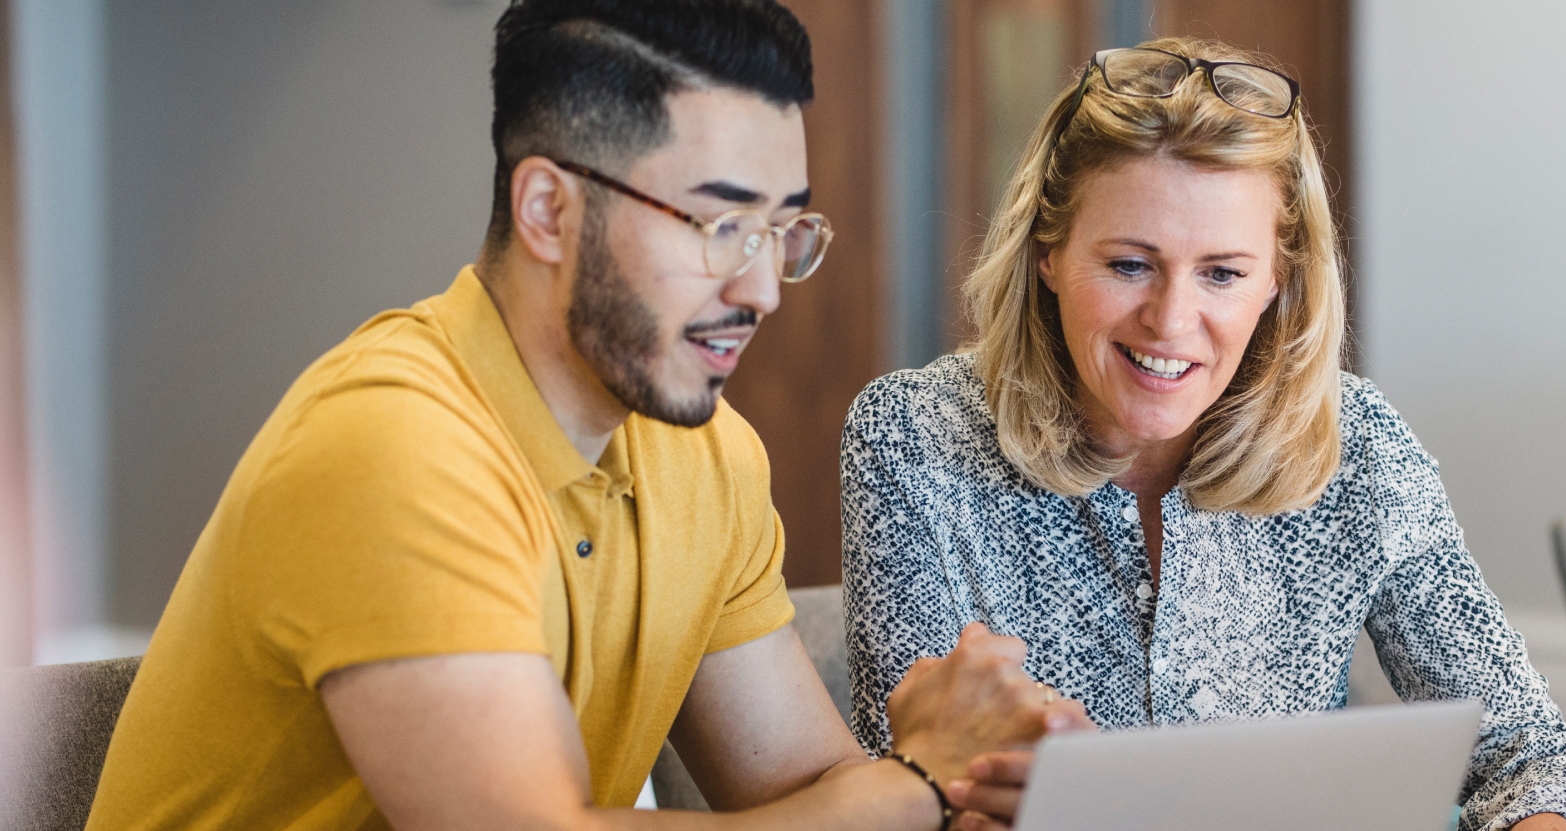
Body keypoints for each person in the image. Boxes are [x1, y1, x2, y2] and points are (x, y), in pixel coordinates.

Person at [86, 2, 1092, 829]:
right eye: (721, 225)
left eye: (782, 228)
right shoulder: (396, 444)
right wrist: (912, 782)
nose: (763, 288)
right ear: (548, 212)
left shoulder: (703, 453)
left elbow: (802, 795)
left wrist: (957, 788)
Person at [842, 37, 1566, 831]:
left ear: (1277, 280)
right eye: (1131, 264)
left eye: (1223, 273)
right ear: (1047, 252)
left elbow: (1533, 753)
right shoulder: (912, 437)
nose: (1171, 322)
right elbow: (914, 794)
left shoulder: (1359, 443)